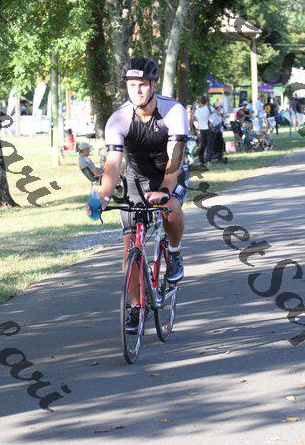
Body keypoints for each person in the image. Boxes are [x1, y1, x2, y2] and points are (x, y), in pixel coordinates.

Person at [86, 57, 189, 328]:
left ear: (153, 85)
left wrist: (164, 190)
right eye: (132, 85)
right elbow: (113, 164)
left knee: (170, 207)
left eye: (142, 84)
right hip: (136, 178)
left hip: (170, 171)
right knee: (130, 245)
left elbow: (175, 158)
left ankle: (174, 253)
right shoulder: (118, 119)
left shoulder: (173, 111)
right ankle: (134, 306)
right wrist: (103, 196)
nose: (137, 90)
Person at [193, 96, 214, 167]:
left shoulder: (197, 111)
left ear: (199, 102)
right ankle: (208, 161)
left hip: (201, 129)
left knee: (202, 146)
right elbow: (217, 114)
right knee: (209, 146)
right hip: (209, 128)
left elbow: (195, 119)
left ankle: (200, 161)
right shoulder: (209, 108)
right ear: (206, 101)